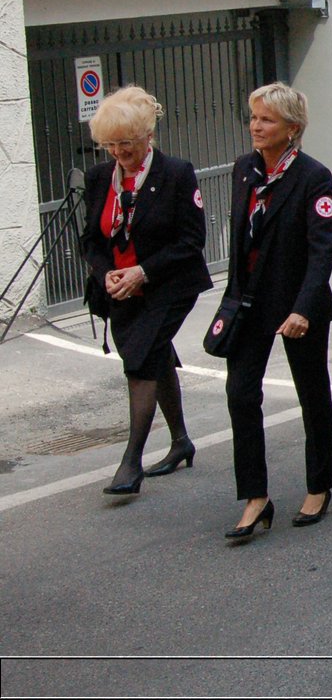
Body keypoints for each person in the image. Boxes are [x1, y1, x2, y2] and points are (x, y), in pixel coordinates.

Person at [219, 83, 332, 539]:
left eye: (266, 119)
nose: (256, 126)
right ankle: (255, 497)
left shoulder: (313, 176)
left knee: (312, 395)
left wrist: (304, 308)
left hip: (296, 305)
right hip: (248, 304)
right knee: (241, 396)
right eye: (253, 117)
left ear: (292, 128)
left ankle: (318, 486)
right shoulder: (243, 169)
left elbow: (322, 248)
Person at [82, 86, 211, 497]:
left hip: (168, 284)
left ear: (147, 137)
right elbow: (91, 240)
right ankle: (180, 442)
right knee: (153, 355)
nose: (119, 153)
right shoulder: (99, 178)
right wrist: (106, 274)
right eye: (111, 145)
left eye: (127, 144)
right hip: (120, 288)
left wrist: (142, 271)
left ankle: (130, 462)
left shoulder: (175, 173)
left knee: (139, 362)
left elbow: (191, 242)